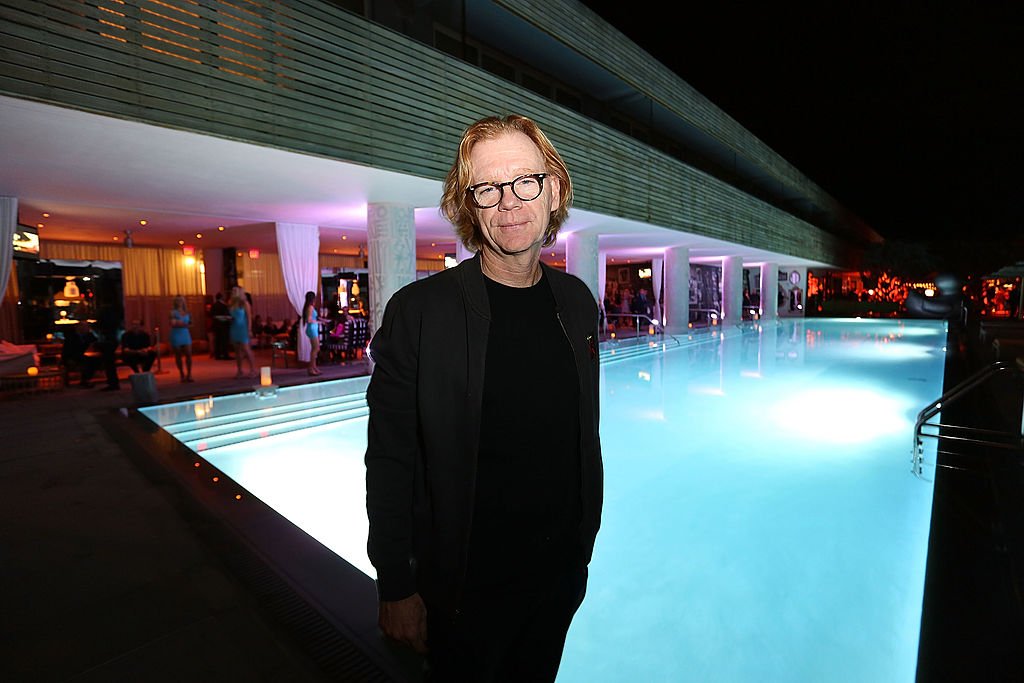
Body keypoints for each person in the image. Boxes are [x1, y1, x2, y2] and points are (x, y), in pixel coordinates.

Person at [365, 114, 603, 682]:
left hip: (556, 577)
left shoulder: (575, 301)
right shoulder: (420, 313)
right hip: (462, 593)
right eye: (488, 188)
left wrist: (581, 550)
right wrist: (396, 583)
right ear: (469, 204)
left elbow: (580, 433)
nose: (509, 202)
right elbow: (390, 456)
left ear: (553, 189)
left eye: (525, 180)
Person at [229, 285, 256, 378]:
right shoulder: (231, 303)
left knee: (246, 349)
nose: (232, 293)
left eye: (234, 291)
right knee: (237, 350)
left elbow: (249, 318)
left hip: (243, 328)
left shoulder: (244, 303)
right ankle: (240, 370)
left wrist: (249, 329)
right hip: (234, 327)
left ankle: (253, 369)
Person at [169, 295, 193, 382]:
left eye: (181, 300)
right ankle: (181, 373)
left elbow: (191, 323)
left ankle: (189, 374)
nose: (179, 302)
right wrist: (181, 324)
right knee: (178, 355)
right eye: (178, 301)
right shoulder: (172, 312)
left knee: (189, 354)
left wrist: (181, 323)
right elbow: (172, 324)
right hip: (176, 334)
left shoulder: (187, 312)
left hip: (185, 333)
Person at [302, 290, 322, 376]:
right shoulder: (310, 307)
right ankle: (311, 368)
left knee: (315, 348)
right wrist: (317, 322)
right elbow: (309, 319)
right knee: (315, 348)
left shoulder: (309, 307)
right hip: (312, 329)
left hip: (313, 329)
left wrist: (321, 320)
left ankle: (313, 367)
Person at [210, 292, 231, 359]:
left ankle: (217, 355)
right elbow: (224, 315)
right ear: (221, 297)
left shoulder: (214, 305)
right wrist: (226, 318)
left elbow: (212, 315)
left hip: (216, 325)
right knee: (224, 340)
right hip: (223, 325)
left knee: (218, 340)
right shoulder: (223, 305)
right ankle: (225, 354)